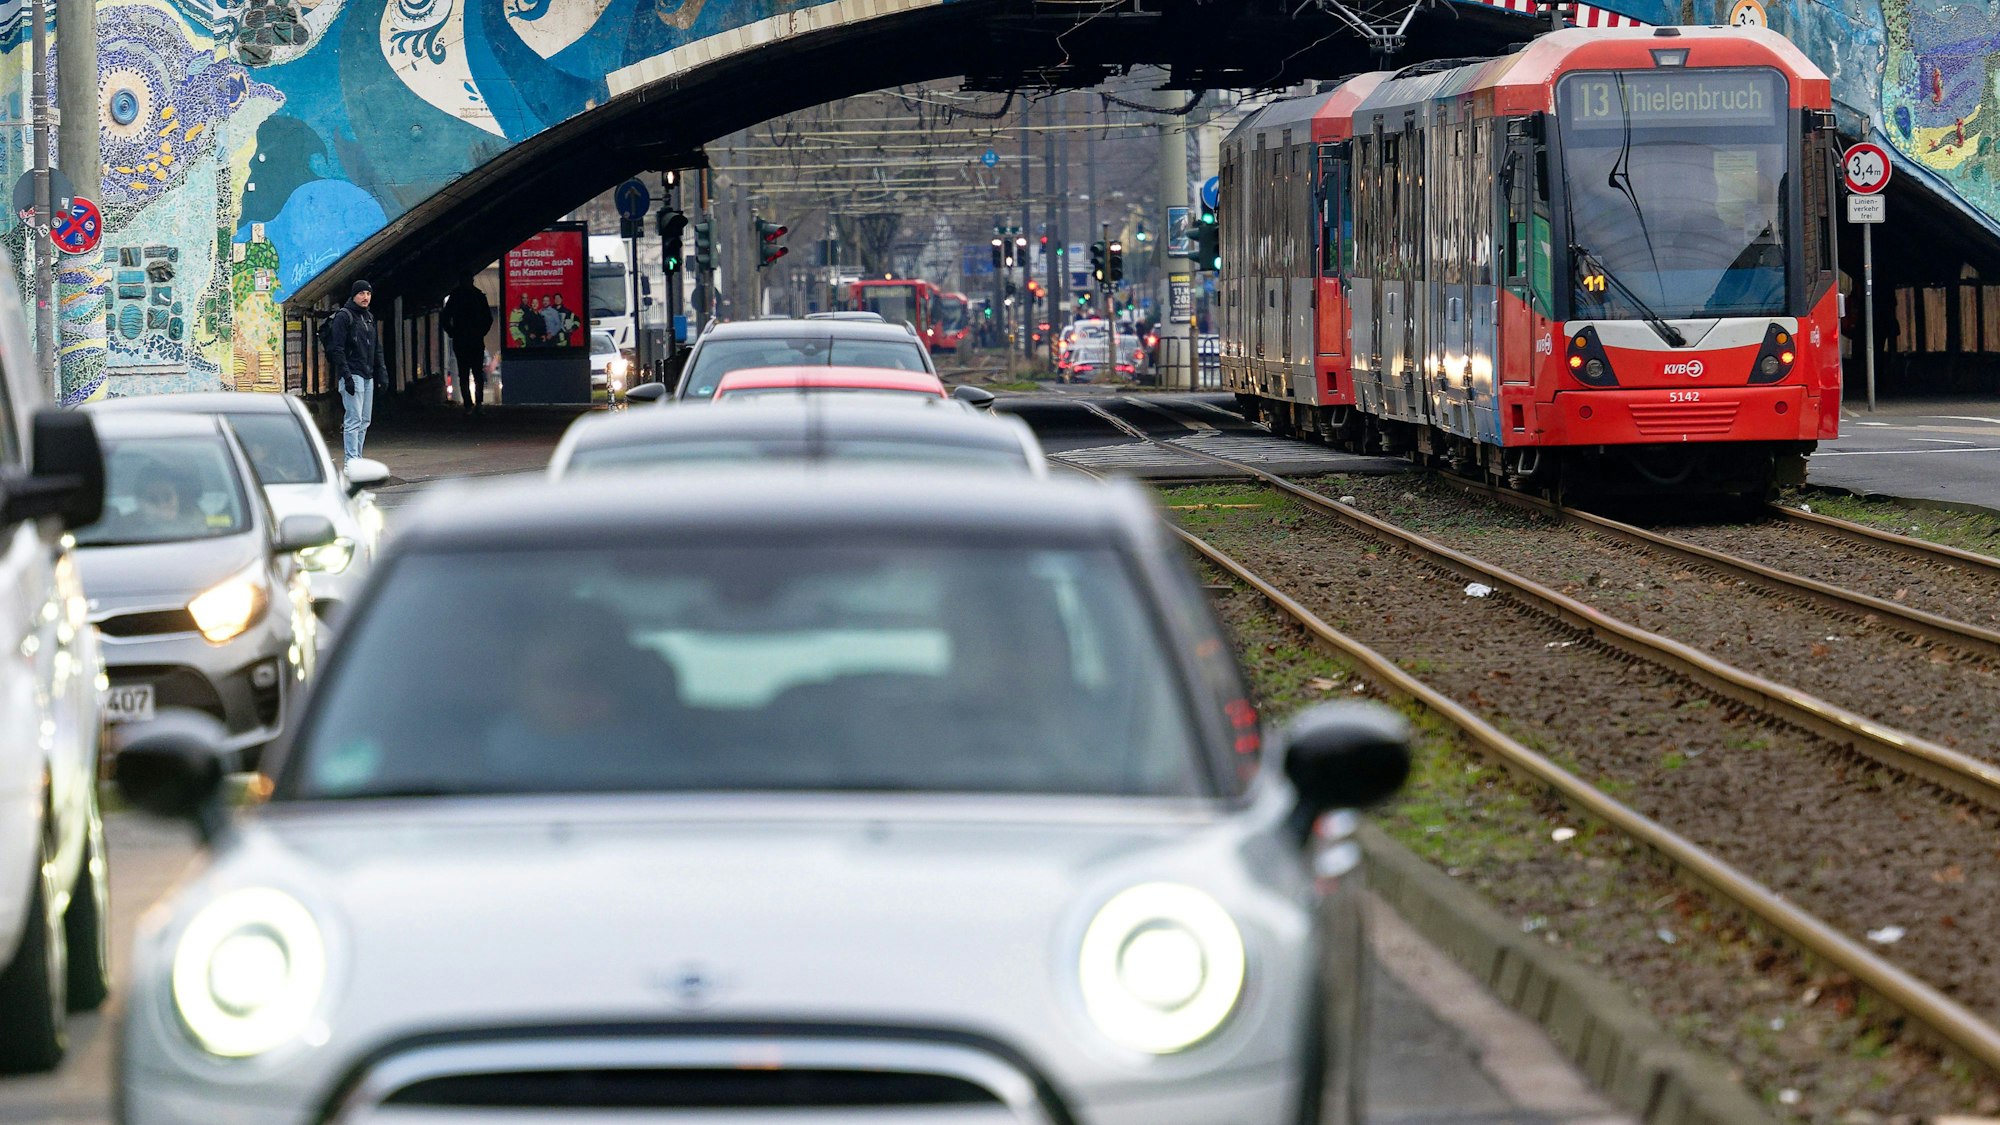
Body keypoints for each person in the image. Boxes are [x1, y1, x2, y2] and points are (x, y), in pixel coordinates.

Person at [324, 279, 388, 462]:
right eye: (361, 293)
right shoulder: (344, 317)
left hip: (368, 375)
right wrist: (346, 376)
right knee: (353, 420)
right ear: (353, 295)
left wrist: (381, 372)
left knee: (365, 420)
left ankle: (357, 459)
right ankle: (351, 462)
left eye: (368, 293)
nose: (365, 297)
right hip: (353, 374)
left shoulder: (369, 317)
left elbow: (376, 347)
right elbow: (337, 349)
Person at [441, 277, 494, 415]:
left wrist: (452, 332)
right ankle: (478, 403)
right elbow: (488, 318)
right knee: (477, 373)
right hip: (475, 340)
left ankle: (468, 405)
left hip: (461, 340)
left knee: (463, 373)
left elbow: (445, 317)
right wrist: (481, 332)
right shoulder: (479, 296)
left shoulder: (455, 297)